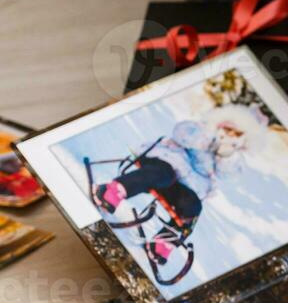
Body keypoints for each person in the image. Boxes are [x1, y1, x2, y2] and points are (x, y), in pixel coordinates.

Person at [90, 105, 264, 270]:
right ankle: (112, 191)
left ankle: (164, 241)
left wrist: (227, 155)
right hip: (164, 161)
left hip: (180, 186)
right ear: (220, 123)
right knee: (164, 174)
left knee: (194, 206)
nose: (230, 135)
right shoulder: (204, 128)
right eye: (228, 128)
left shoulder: (229, 156)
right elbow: (180, 132)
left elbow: (229, 175)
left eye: (236, 133)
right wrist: (203, 138)